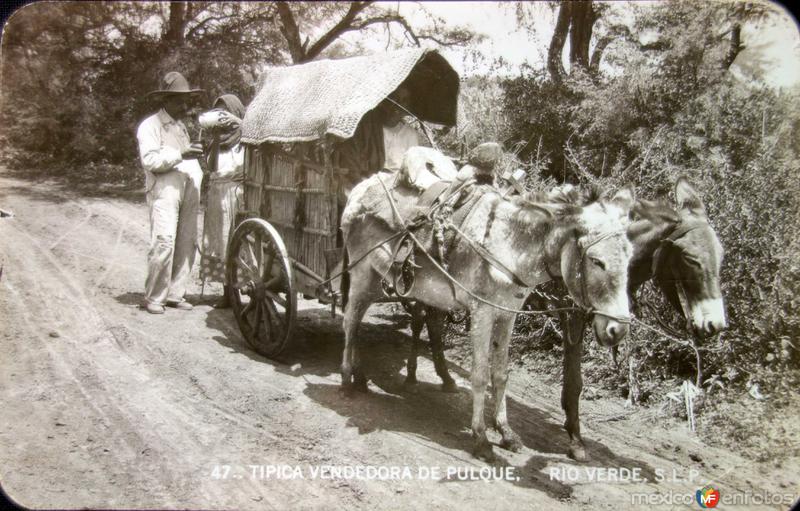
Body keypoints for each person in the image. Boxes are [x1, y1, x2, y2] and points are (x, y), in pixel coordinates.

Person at [136, 72, 204, 314]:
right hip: (164, 189)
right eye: (178, 100)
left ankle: (176, 292)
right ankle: (154, 297)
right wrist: (181, 154)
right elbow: (150, 159)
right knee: (164, 240)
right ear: (165, 100)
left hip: (187, 187)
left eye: (185, 100)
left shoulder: (180, 127)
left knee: (187, 241)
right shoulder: (150, 126)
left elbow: (188, 156)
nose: (184, 105)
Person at [199, 94, 246, 308]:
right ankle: (227, 293)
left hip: (236, 194)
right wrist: (216, 138)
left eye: (224, 114)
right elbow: (212, 167)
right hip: (218, 195)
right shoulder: (218, 143)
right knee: (220, 242)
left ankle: (240, 290)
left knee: (237, 243)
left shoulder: (245, 141)